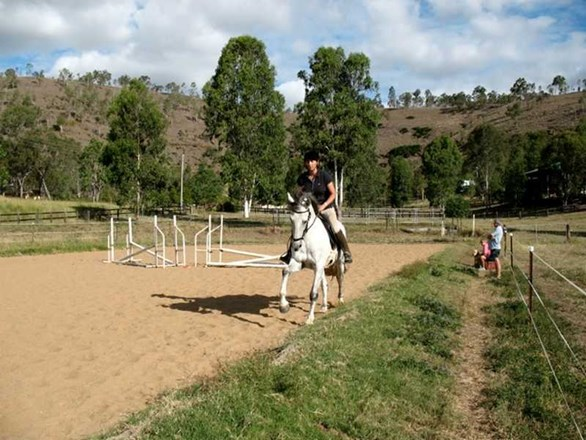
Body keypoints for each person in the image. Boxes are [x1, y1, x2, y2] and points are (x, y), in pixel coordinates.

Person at [281, 150, 353, 264]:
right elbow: (298, 193)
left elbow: (333, 193)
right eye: (308, 161)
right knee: (298, 226)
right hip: (310, 211)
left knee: (334, 227)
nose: (310, 164)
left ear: (317, 162)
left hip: (327, 208)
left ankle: (346, 251)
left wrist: (323, 206)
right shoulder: (302, 178)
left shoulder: (324, 176)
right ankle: (290, 253)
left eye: (312, 161)